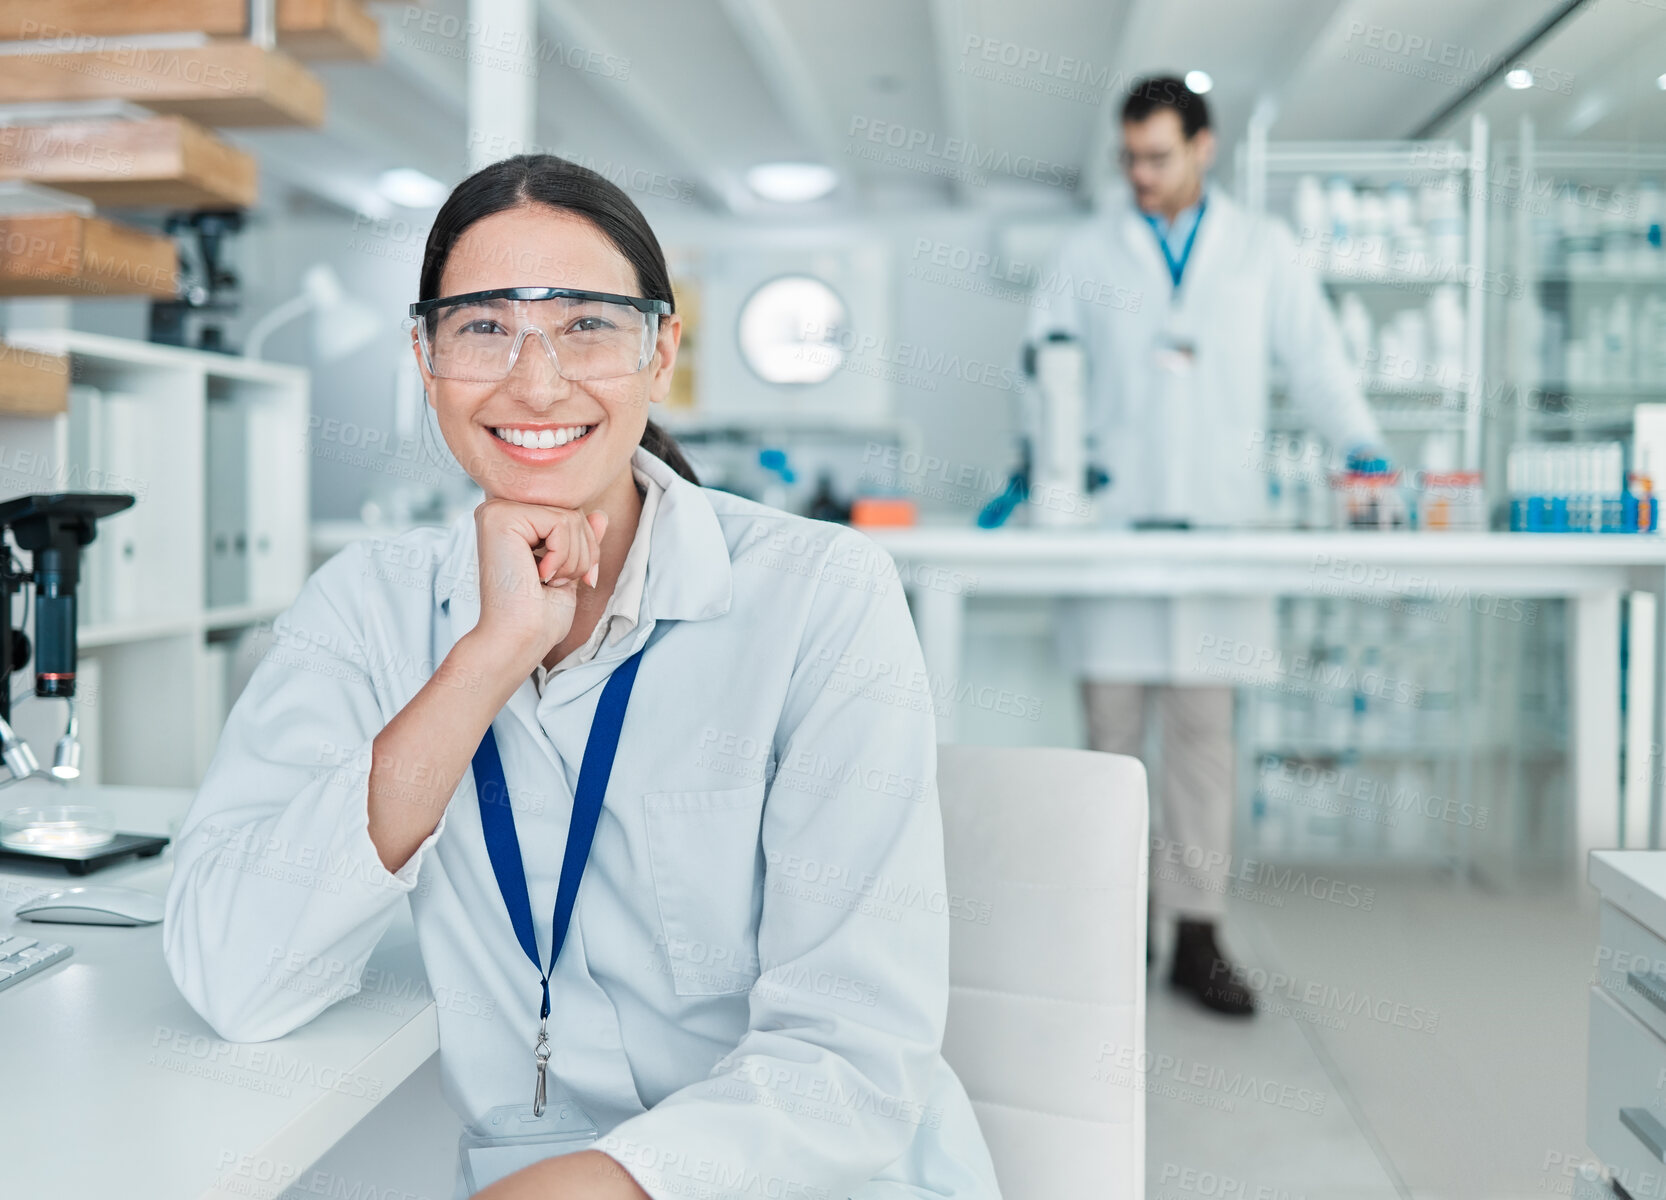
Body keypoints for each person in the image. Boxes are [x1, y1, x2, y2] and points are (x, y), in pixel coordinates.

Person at [163, 155, 1000, 1200]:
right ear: (425, 359)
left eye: (586, 325)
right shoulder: (364, 607)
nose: (536, 380)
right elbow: (230, 975)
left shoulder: (821, 598)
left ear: (661, 353)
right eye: (482, 328)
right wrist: (485, 658)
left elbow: (853, 1060)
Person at [1025, 77, 1387, 1017]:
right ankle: (1115, 928)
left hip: (1221, 527)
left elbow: (1316, 364)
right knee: (1111, 743)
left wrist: (1365, 451)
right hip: (1110, 527)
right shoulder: (1083, 253)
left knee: (1202, 740)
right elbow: (1042, 375)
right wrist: (1047, 475)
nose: (1140, 175)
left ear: (1204, 147)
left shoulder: (1261, 252)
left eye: (1159, 156)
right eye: (1130, 158)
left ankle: (1196, 933)